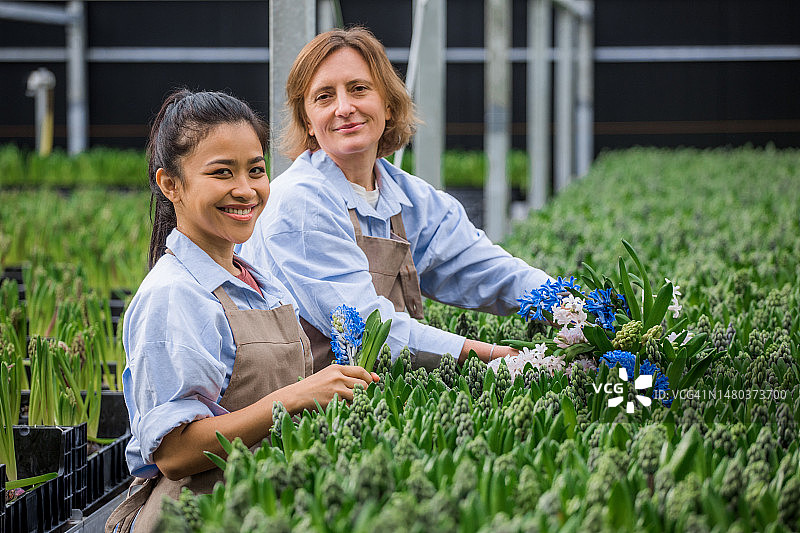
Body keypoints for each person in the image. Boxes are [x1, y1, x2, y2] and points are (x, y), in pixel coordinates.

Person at [106, 89, 378, 533]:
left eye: (256, 170)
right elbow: (173, 453)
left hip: (254, 506)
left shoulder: (254, 279)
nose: (246, 189)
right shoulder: (175, 295)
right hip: (198, 516)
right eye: (222, 173)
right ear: (169, 184)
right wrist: (294, 397)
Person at [238, 27, 553, 371]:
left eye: (359, 89)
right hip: (302, 408)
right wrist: (493, 355)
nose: (344, 108)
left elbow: (487, 270)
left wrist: (573, 308)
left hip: (368, 391)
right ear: (308, 122)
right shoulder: (299, 203)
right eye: (324, 97)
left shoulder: (407, 197)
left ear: (388, 105)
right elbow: (366, 328)